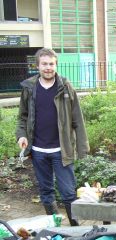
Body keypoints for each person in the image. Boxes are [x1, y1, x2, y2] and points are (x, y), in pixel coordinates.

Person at [16, 48, 89, 226]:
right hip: (38, 151)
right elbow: (22, 117)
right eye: (44, 64)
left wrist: (82, 148)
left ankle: (75, 229)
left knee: (68, 193)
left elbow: (77, 119)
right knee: (46, 192)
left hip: (62, 150)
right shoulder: (29, 88)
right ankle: (56, 227)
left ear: (56, 65)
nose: (48, 67)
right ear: (37, 65)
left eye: (51, 64)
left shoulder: (65, 86)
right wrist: (21, 136)